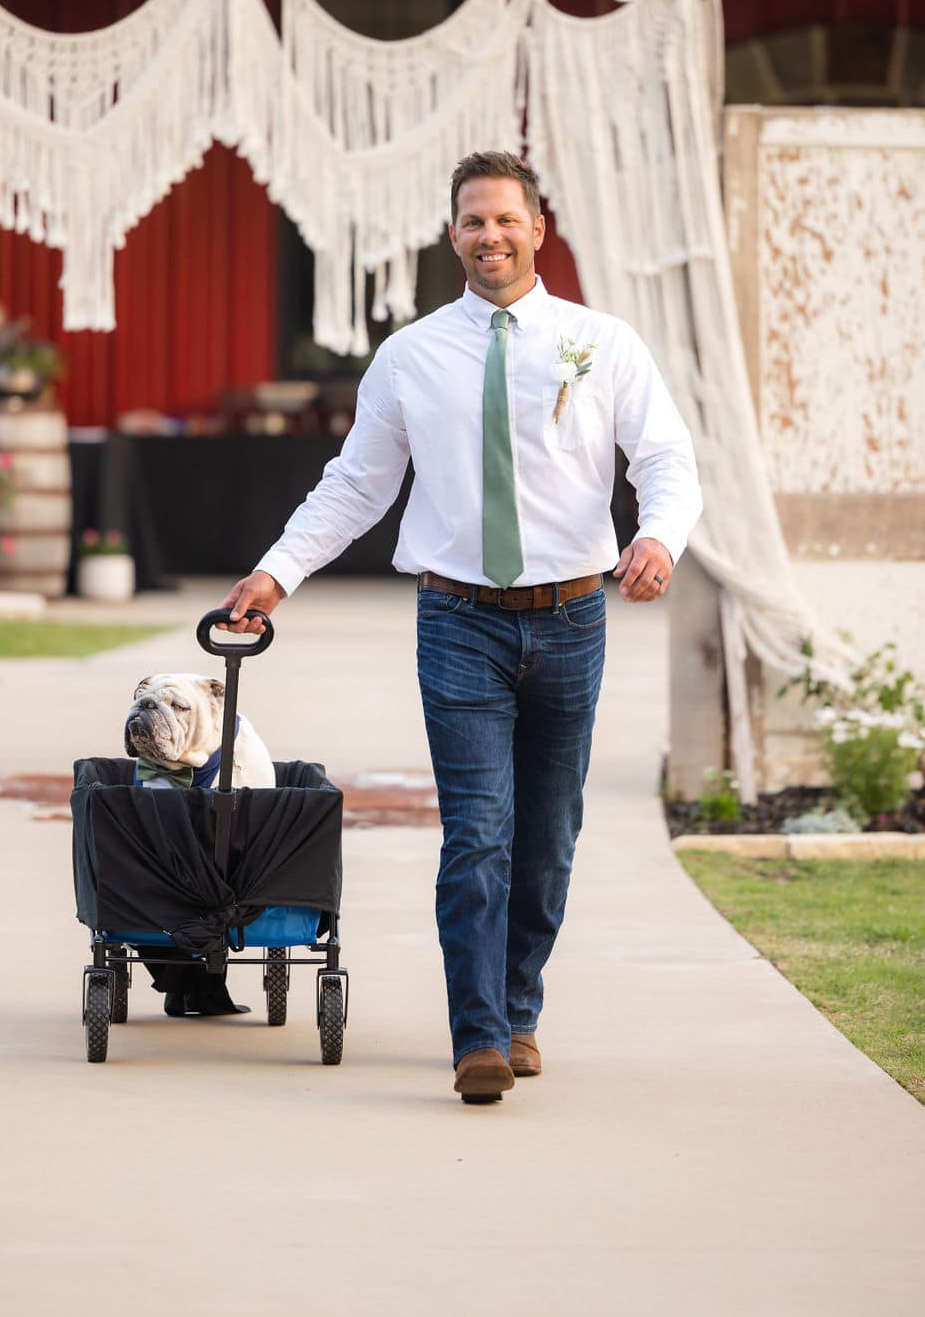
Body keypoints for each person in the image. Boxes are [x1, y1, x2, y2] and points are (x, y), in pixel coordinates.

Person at [221, 151, 702, 1104]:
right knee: (477, 831)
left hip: (571, 618)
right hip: (458, 622)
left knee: (549, 835)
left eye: (507, 220)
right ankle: (477, 1035)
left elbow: (665, 454)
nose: (492, 236)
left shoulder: (600, 343)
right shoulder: (411, 357)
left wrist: (659, 536)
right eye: (474, 222)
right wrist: (278, 571)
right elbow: (357, 484)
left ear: (537, 230)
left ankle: (519, 1007)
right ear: (454, 237)